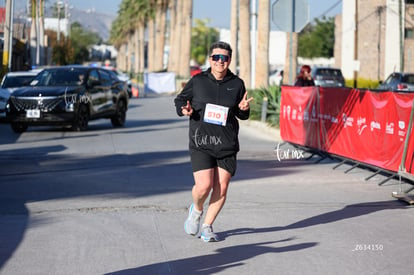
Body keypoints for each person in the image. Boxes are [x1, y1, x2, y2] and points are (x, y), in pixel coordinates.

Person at [174, 41, 252, 242]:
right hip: (202, 142)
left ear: (229, 60)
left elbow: (240, 114)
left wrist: (243, 109)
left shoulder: (237, 84)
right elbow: (180, 100)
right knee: (203, 186)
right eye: (216, 57)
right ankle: (197, 210)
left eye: (224, 58)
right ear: (210, 59)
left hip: (226, 144)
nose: (220, 61)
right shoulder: (198, 81)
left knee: (222, 187)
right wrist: (184, 109)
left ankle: (207, 227)